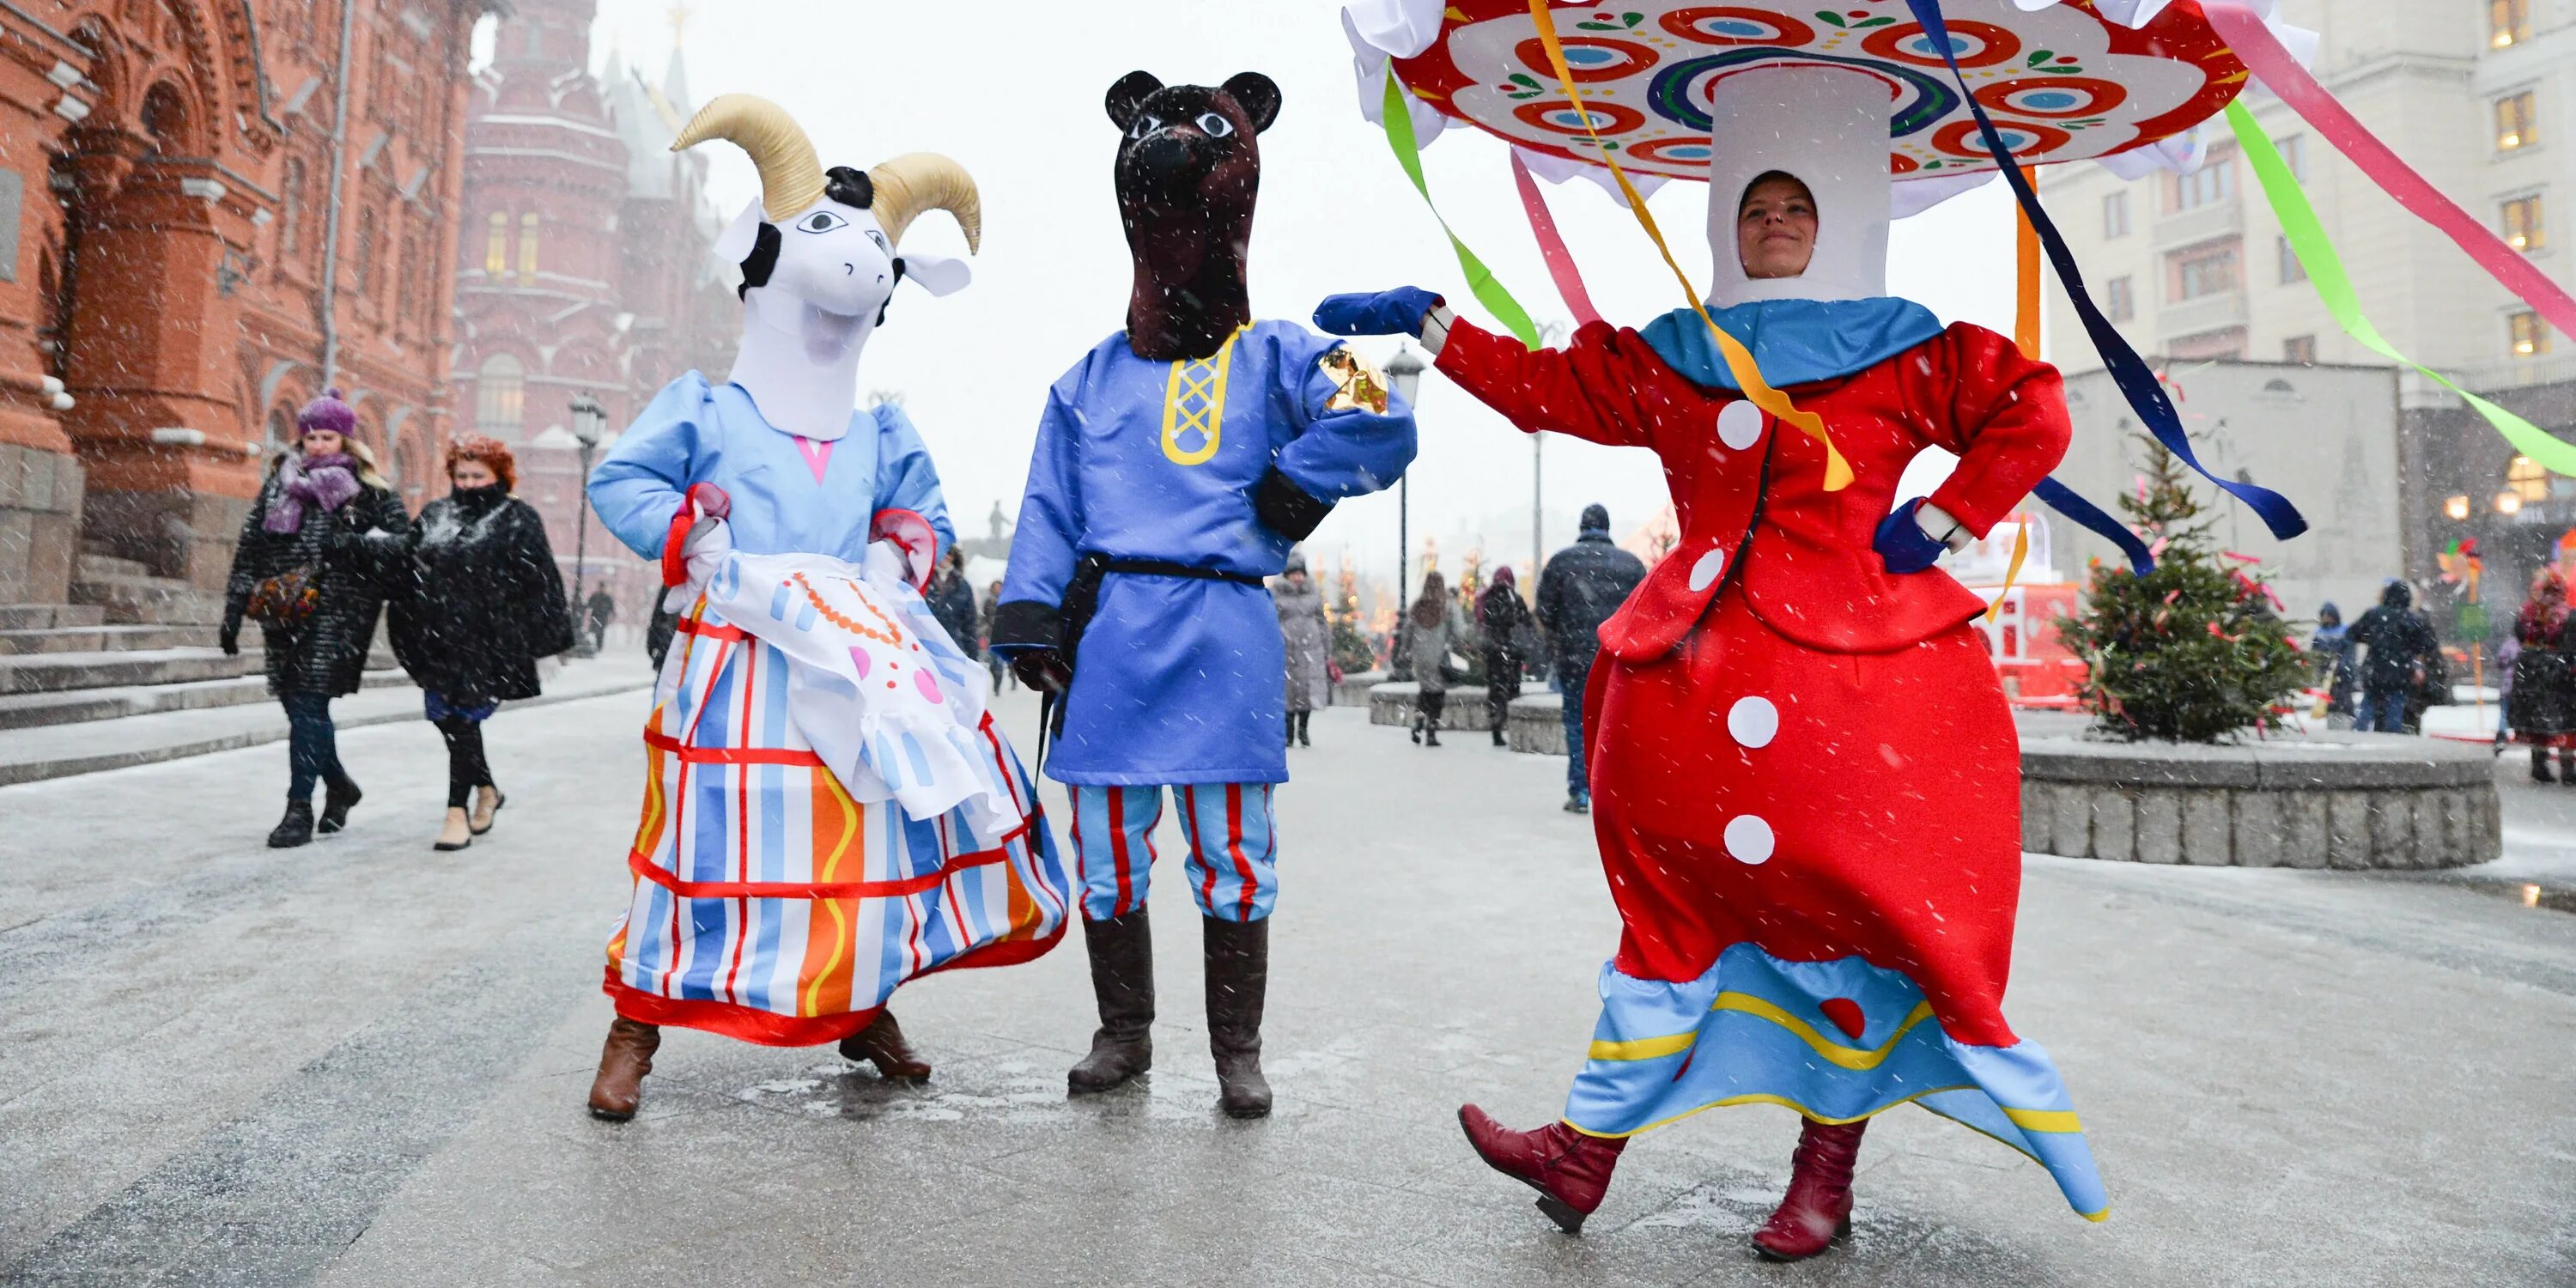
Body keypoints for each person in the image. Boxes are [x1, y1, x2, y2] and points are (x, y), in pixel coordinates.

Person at [1319, 76, 2110, 1254]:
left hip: (1857, 688)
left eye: (1797, 205)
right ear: (1726, 222)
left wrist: (1945, 522)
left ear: (1836, 219)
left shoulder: (1913, 352)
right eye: (1755, 207)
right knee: (1671, 919)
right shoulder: (1678, 355)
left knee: (1857, 929)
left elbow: (2034, 411)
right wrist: (1434, 318)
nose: (1775, 222)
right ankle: (1586, 1154)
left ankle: (1822, 1176)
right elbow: (1547, 388)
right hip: (1686, 689)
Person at [577, 94, 1066, 1121]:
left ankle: (860, 999)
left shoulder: (881, 429)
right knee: (710, 833)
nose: (853, 264)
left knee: (865, 826)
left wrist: (895, 558)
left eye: (872, 248)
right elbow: (622, 480)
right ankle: (638, 1022)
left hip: (855, 652)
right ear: (762, 263)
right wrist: (699, 540)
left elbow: (918, 510)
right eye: (821, 236)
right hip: (743, 655)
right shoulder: (708, 406)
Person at [989, 70, 1416, 1120]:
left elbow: (1387, 403)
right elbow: (1048, 504)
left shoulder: (1283, 352)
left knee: (1235, 852)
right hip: (1115, 640)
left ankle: (1237, 1051)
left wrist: (1298, 479)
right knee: (1104, 856)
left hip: (1226, 628)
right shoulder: (1084, 381)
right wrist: (1034, 618)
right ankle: (1123, 1034)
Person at [221, 390, 410, 849]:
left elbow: (404, 544)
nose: (318, 445)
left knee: (308, 704)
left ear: (346, 440)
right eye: (311, 436)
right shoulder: (279, 484)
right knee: (296, 704)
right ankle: (340, 785)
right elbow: (251, 546)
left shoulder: (370, 491)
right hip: (283, 608)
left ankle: (298, 808)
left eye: (328, 436)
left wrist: (353, 545)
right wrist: (233, 608)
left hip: (340, 611)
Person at [388, 436, 577, 851]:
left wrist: (547, 643)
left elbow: (540, 580)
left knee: (463, 721)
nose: (469, 484)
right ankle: (487, 789)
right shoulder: (436, 514)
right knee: (448, 720)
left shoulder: (517, 518)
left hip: (490, 641)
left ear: (498, 476)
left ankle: (456, 812)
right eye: (462, 475)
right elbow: (408, 564)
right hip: (437, 640)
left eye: (478, 475)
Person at [1536, 505, 1646, 812]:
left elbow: (1544, 611)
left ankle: (1582, 791)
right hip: (1616, 658)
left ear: (1582, 525)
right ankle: (1613, 791)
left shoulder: (1562, 562)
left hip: (1573, 659)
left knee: (1576, 721)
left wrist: (1562, 636)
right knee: (1614, 723)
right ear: (1607, 528)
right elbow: (1645, 612)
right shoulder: (1632, 565)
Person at [2349, 579, 2438, 734]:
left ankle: (2360, 732)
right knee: (2395, 705)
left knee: (2369, 703)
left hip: (2374, 668)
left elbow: (2353, 633)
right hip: (2400, 671)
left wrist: (2372, 639)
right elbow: (2425, 644)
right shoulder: (2411, 619)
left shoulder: (2373, 615)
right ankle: (2392, 737)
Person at [2512, 570, 2573, 780]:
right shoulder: (2564, 612)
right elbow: (2567, 640)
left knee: (2536, 720)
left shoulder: (2527, 610)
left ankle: (2539, 765)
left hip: (2528, 667)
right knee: (2563, 719)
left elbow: (2519, 633)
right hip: (2554, 666)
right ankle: (2567, 768)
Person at [1403, 571, 1471, 747]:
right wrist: (1456, 644)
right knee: (1437, 695)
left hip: (1420, 656)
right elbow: (1459, 632)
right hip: (1438, 656)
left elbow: (1407, 630)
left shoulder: (1418, 606)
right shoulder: (1448, 606)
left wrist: (1405, 650)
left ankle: (1418, 720)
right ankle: (1431, 731)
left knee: (1425, 690)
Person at [1275, 552, 1331, 747]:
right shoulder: (1277, 595)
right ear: (1287, 575)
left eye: (1300, 573)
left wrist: (1326, 649)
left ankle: (1303, 730)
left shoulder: (1314, 594)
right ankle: (1289, 732)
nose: (1298, 577)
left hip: (1310, 649)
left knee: (1307, 692)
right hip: (1286, 650)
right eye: (1294, 573)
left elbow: (1323, 623)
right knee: (1288, 693)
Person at [1479, 565, 1536, 746]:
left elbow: (1486, 622)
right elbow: (1525, 622)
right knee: (1511, 688)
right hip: (1512, 652)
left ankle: (1496, 722)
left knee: (1496, 688)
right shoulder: (1515, 598)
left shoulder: (1488, 598)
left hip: (1494, 651)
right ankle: (1506, 722)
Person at [926, 545, 982, 661]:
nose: (946, 556)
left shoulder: (963, 585)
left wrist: (972, 656)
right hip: (925, 644)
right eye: (943, 552)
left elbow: (969, 623)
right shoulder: (923, 578)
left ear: (954, 557)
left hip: (954, 646)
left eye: (950, 553)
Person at [2308, 602, 2354, 724]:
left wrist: (2342, 664)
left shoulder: (2343, 631)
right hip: (2326, 670)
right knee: (2328, 696)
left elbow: (2349, 651)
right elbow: (2315, 650)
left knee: (2343, 696)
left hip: (2341, 670)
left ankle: (2345, 716)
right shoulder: (2320, 632)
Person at [981, 578, 1011, 691]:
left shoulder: (1006, 600)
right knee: (992, 661)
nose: (998, 589)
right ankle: (996, 678)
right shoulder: (988, 600)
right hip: (990, 633)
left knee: (999, 661)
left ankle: (998, 684)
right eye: (996, 587)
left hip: (1002, 634)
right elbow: (984, 616)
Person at [584, 586, 616, 653]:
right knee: (597, 631)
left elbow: (611, 607)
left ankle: (599, 646)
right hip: (596, 616)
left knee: (600, 632)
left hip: (602, 617)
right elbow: (589, 604)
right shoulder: (596, 596)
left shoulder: (606, 597)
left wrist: (613, 613)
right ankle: (597, 646)